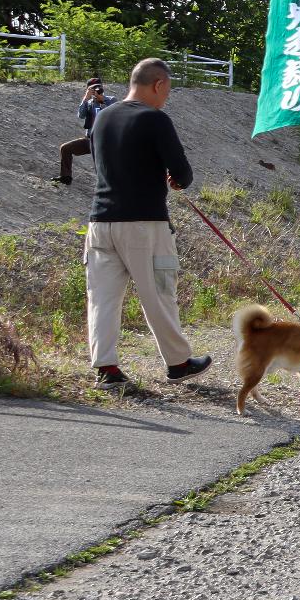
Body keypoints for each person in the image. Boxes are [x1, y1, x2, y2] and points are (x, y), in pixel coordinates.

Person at [83, 58, 211, 388]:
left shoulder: (102, 118)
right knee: (158, 294)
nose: (165, 98)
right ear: (158, 85)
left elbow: (103, 167)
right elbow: (181, 172)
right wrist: (177, 179)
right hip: (144, 223)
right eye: (166, 91)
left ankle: (106, 369)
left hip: (100, 221)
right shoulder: (155, 119)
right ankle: (178, 363)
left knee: (102, 298)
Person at [55, 77, 113, 186]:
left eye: (98, 87)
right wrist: (85, 98)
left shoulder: (111, 100)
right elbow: (81, 115)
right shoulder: (89, 103)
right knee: (66, 148)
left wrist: (102, 100)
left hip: (106, 141)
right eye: (93, 88)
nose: (96, 90)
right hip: (90, 140)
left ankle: (110, 186)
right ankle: (65, 177)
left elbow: (115, 114)